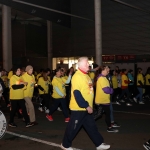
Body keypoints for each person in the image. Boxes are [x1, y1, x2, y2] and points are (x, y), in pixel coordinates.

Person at [61, 57, 110, 150]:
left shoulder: (86, 76)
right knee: (73, 128)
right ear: (80, 66)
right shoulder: (77, 76)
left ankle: (99, 144)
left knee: (92, 127)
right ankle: (65, 145)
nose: (89, 64)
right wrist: (86, 105)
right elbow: (77, 94)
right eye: (86, 63)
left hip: (86, 108)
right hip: (79, 108)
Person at [94, 66, 119, 133]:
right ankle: (109, 127)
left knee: (100, 114)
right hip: (102, 100)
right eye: (107, 69)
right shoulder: (102, 78)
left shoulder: (103, 77)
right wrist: (112, 90)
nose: (108, 70)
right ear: (103, 70)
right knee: (104, 114)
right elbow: (106, 90)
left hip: (103, 100)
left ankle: (109, 126)